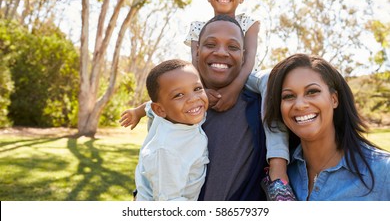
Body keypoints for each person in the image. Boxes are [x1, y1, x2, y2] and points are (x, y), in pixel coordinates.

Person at [121, 15, 294, 200]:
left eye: (233, 46)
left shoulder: (261, 107)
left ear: (244, 56)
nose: (221, 52)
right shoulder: (173, 109)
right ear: (196, 52)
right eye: (210, 44)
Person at [263, 53, 390, 200]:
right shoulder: (279, 174)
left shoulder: (383, 171)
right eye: (288, 96)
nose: (300, 105)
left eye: (312, 92)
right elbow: (252, 78)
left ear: (334, 99)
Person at [134, 59, 209, 201]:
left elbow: (150, 107)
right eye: (179, 95)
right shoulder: (167, 151)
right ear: (160, 110)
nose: (193, 99)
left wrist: (137, 112)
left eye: (197, 88)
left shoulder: (182, 115)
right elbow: (168, 201)